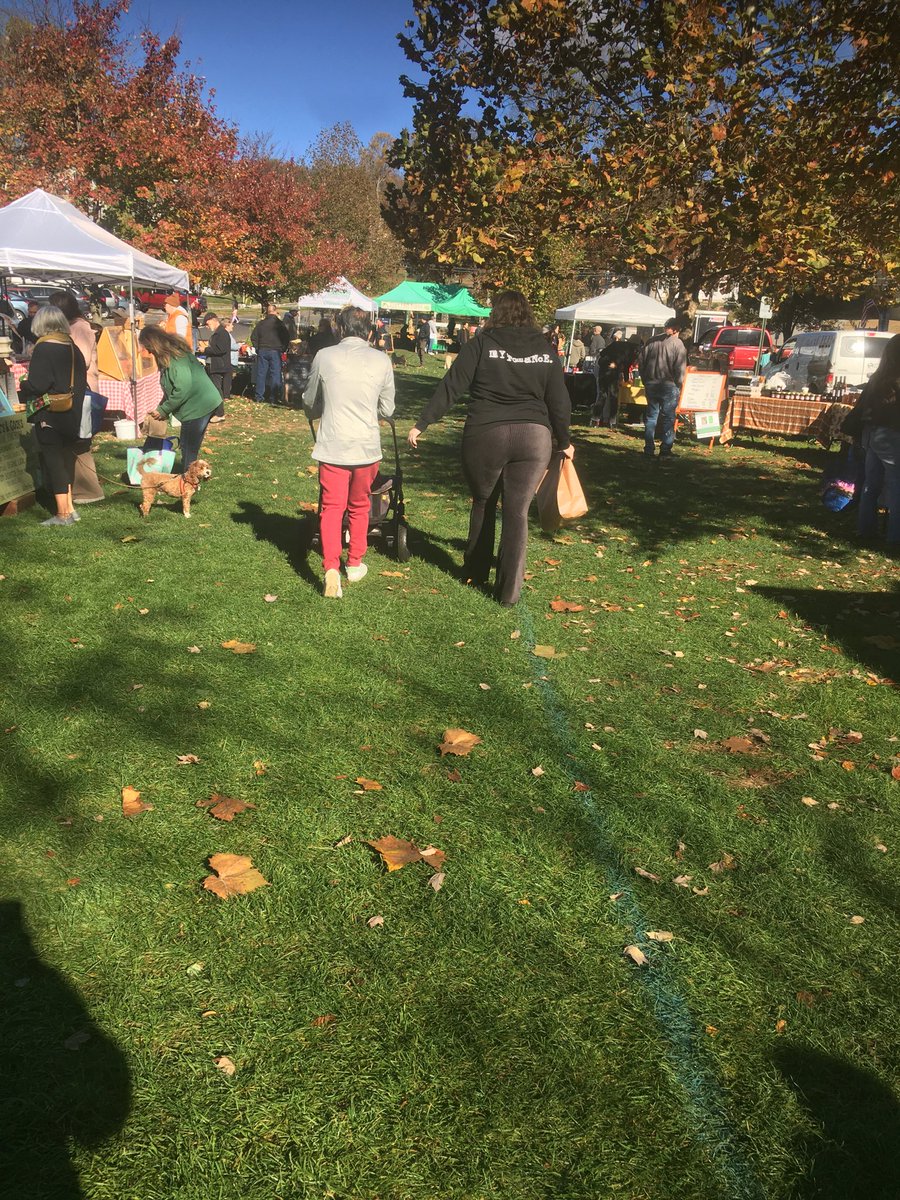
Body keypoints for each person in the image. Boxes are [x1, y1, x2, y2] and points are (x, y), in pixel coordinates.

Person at [408, 289, 573, 607]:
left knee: (483, 502)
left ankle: (475, 570)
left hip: (487, 433)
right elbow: (559, 400)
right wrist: (564, 441)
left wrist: (422, 423)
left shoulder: (482, 344)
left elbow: (452, 385)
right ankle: (509, 592)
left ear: (496, 313)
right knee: (517, 512)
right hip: (535, 436)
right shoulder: (545, 349)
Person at [302, 306, 396, 599]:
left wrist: (318, 410)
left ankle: (331, 566)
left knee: (331, 508)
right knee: (359, 505)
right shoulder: (381, 360)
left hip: (333, 445)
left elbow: (309, 399)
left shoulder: (324, 356)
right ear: (369, 331)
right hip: (366, 447)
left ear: (338, 329)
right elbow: (388, 408)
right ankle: (354, 562)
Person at [19, 305, 88, 526]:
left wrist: (24, 384)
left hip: (51, 414)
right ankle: (70, 508)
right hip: (72, 412)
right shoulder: (72, 347)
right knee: (63, 461)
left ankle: (63, 514)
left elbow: (39, 384)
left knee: (54, 462)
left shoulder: (44, 348)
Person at [139, 326, 221, 471]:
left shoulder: (175, 359)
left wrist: (164, 409)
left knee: (188, 446)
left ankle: (187, 481)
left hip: (199, 405)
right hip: (201, 402)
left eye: (145, 346)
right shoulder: (168, 357)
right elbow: (171, 387)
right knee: (190, 445)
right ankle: (191, 474)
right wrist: (161, 409)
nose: (144, 350)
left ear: (153, 344)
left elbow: (182, 388)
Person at [48, 290, 103, 503]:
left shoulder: (80, 327)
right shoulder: (72, 327)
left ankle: (88, 491)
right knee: (75, 441)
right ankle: (77, 487)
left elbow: (83, 360)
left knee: (80, 441)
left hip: (83, 391)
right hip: (74, 391)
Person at [855, 333, 900, 550]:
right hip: (891, 435)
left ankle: (865, 529)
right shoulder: (894, 380)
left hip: (872, 434)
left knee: (870, 484)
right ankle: (895, 536)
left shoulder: (878, 377)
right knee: (895, 485)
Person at [637, 319, 687, 461]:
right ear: (677, 329)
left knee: (651, 417)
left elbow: (641, 362)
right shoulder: (678, 344)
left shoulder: (651, 341)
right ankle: (665, 449)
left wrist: (645, 380)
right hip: (668, 385)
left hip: (651, 384)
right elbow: (680, 368)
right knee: (668, 417)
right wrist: (679, 384)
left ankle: (648, 448)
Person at [251, 302, 289, 403]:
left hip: (263, 350)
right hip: (275, 351)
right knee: (275, 374)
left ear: (267, 312)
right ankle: (274, 397)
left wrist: (257, 347)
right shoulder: (280, 324)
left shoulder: (261, 324)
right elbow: (286, 337)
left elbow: (253, 337)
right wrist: (283, 348)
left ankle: (259, 396)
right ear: (275, 311)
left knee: (261, 374)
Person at [591, 332, 629, 428]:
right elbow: (625, 365)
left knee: (604, 396)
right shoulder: (621, 351)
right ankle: (609, 420)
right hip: (610, 375)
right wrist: (625, 376)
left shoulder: (609, 349)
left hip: (605, 374)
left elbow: (601, 360)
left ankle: (599, 419)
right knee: (610, 397)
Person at [201, 313, 233, 423]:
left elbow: (220, 350)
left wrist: (205, 349)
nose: (206, 326)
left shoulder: (221, 333)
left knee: (216, 390)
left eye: (207, 323)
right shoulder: (218, 333)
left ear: (213, 320)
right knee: (213, 389)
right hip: (214, 365)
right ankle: (214, 411)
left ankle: (220, 413)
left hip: (218, 365)